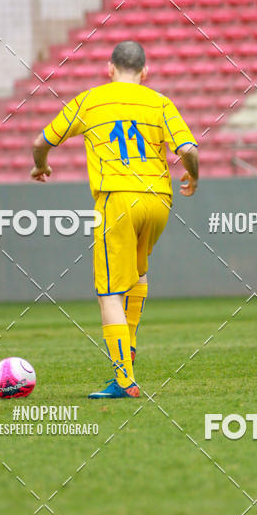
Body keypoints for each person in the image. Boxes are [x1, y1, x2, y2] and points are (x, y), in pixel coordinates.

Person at [31, 40, 199, 398]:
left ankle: (124, 379)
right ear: (145, 71)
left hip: (117, 199)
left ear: (109, 69)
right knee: (137, 275)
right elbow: (187, 149)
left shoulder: (90, 100)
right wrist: (193, 174)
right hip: (159, 200)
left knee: (108, 291)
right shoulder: (160, 102)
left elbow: (41, 141)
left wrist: (41, 164)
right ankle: (130, 353)